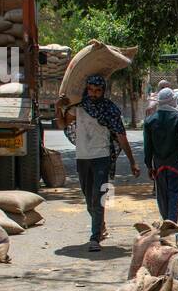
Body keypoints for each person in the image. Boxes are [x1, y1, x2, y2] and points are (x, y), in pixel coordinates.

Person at [56, 74, 138, 251]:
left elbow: (121, 136)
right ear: (87, 89)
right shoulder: (78, 108)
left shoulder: (110, 110)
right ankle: (99, 225)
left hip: (102, 157)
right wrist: (58, 108)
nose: (93, 94)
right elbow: (62, 125)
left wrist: (132, 161)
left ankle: (94, 237)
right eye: (91, 90)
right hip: (83, 157)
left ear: (103, 92)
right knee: (88, 198)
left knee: (99, 196)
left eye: (98, 91)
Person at [143, 87, 178, 222]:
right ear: (173, 100)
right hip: (175, 161)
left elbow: (147, 146)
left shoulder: (149, 120)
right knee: (174, 191)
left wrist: (148, 164)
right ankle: (171, 221)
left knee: (161, 193)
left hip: (158, 163)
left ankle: (165, 219)